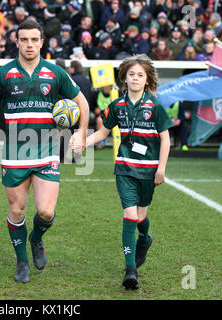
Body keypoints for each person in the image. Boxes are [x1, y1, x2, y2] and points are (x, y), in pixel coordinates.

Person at [0, 19, 89, 283]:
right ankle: (21, 262)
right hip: (14, 152)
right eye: (24, 39)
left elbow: (82, 103)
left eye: (34, 40)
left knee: (46, 212)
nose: (29, 44)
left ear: (42, 42)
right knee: (17, 211)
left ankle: (36, 238)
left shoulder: (55, 73)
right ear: (16, 42)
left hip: (47, 150)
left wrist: (81, 134)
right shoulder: (3, 74)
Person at [77, 54, 173, 290]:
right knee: (130, 216)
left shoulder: (155, 106)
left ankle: (145, 238)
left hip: (149, 171)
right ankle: (131, 270)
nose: (135, 78)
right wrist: (83, 143)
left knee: (141, 218)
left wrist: (161, 168)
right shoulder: (117, 106)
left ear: (147, 79)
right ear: (124, 78)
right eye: (131, 74)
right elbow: (103, 132)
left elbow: (165, 139)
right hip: (125, 168)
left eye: (140, 75)